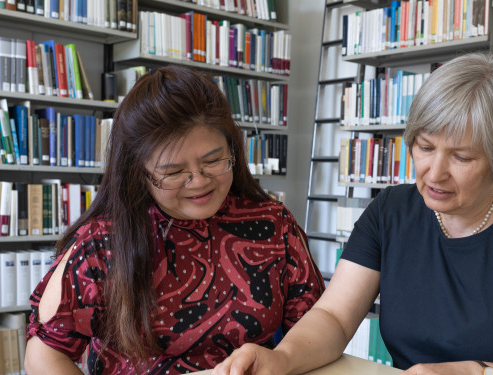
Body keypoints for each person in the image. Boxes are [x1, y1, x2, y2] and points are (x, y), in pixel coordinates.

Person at [214, 52, 493, 375]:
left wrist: (474, 372)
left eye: (462, 157)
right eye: (425, 147)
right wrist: (281, 359)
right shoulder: (391, 211)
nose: (435, 172)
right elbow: (334, 317)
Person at [24, 65, 324, 375]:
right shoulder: (102, 244)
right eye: (173, 172)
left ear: (232, 149)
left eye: (213, 161)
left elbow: (320, 324)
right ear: (138, 172)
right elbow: (44, 355)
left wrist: (285, 358)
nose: (198, 182)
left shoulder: (272, 224)